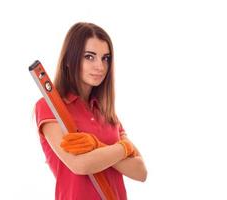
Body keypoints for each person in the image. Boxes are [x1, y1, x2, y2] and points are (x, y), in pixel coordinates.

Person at [34, 22, 147, 200]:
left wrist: (96, 146)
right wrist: (125, 148)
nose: (100, 67)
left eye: (105, 58)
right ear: (70, 59)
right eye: (89, 57)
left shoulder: (107, 112)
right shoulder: (49, 107)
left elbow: (140, 172)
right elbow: (80, 165)